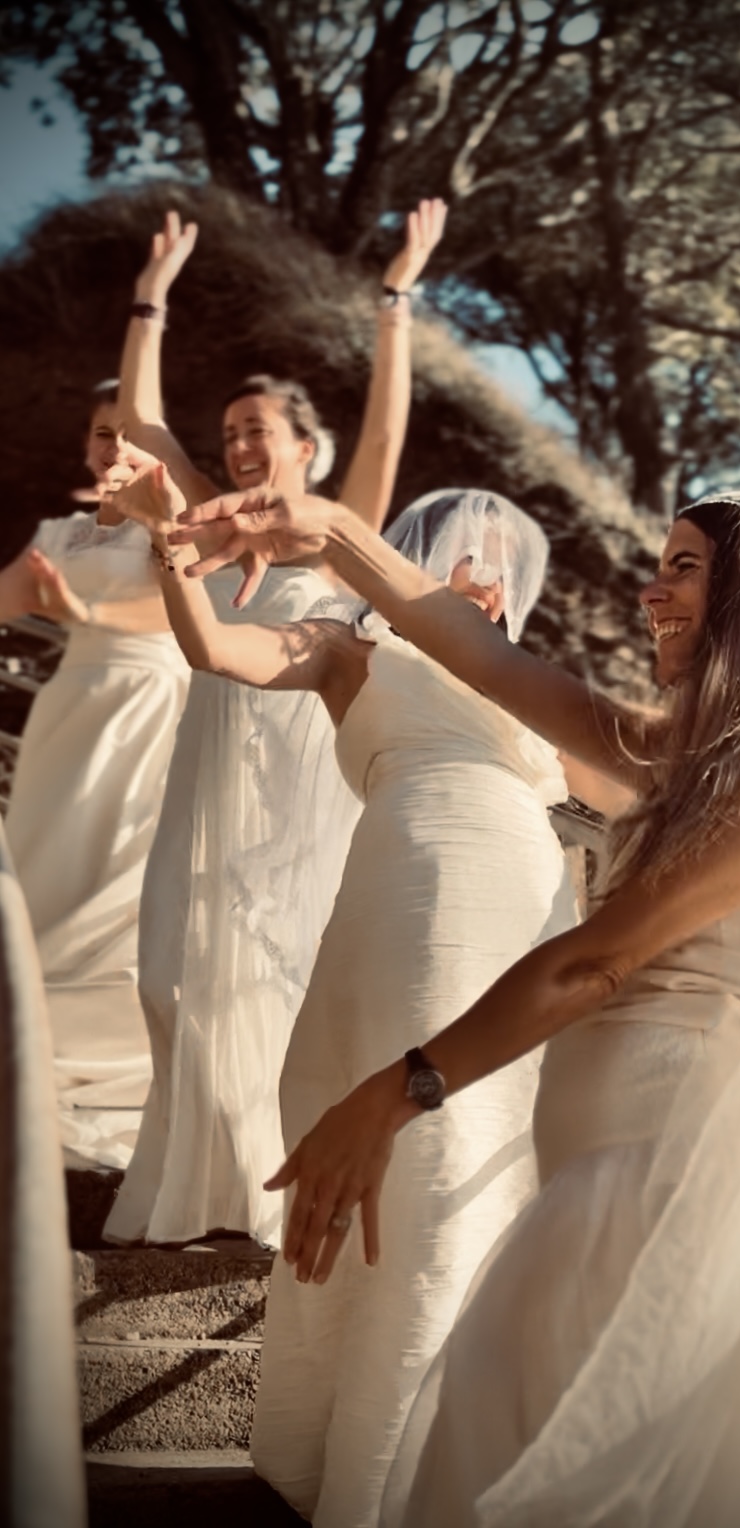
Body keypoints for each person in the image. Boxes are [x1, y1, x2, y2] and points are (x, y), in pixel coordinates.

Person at [171, 483, 740, 1527]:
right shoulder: (680, 758)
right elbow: (488, 661)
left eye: (683, 567)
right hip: (589, 1171)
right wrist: (332, 531)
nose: (649, 591)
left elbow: (594, 964)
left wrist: (393, 1092)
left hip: (656, 1184)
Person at [114, 472, 579, 1523]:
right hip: (413, 877)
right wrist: (171, 548)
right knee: (421, 1140)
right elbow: (214, 650)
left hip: (526, 885)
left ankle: (435, 1452)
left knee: (490, 1143)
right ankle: (356, 1461)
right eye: (466, 553)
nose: (485, 575)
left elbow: (630, 782)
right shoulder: (347, 648)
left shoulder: (523, 680)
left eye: (504, 567)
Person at [103, 200, 446, 1248]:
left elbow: (387, 426)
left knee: (279, 970)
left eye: (260, 430)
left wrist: (396, 297)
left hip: (303, 781)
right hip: (204, 767)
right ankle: (191, 1186)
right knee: (171, 965)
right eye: (230, 435)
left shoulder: (340, 536)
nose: (241, 444)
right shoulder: (210, 523)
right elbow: (138, 431)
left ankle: (268, 1190)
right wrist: (149, 300)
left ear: (307, 445)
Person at [1, 381, 189, 1168]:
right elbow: (10, 593)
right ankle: (19, 1036)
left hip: (150, 708)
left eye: (126, 432)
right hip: (69, 708)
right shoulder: (60, 530)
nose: (112, 446)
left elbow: (180, 612)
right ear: (86, 446)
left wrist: (86, 615)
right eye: (100, 433)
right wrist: (41, 602)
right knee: (45, 874)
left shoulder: (170, 523)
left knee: (118, 885)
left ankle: (99, 1070)